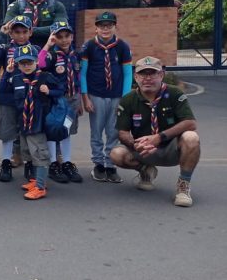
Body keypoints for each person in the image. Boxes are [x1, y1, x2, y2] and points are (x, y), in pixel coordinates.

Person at [110, 57, 200, 207]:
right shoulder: (128, 99)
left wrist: (159, 137)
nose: (147, 78)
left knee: (191, 137)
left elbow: (190, 122)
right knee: (116, 154)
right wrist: (135, 145)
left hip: (171, 148)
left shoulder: (174, 93)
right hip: (143, 149)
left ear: (161, 75)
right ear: (136, 77)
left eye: (152, 73)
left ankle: (183, 186)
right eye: (143, 74)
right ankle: (146, 171)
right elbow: (123, 132)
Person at [79, 11, 132, 183]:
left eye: (109, 26)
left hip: (116, 96)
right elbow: (83, 74)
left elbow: (127, 73)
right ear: (96, 28)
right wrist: (85, 98)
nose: (105, 29)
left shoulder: (122, 46)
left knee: (113, 131)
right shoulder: (89, 46)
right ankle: (98, 164)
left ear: (115, 27)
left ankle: (110, 164)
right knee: (96, 131)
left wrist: (125, 99)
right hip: (96, 95)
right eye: (102, 26)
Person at [6, 45, 63, 200]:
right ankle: (35, 180)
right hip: (24, 123)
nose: (26, 66)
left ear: (37, 61)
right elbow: (4, 89)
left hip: (38, 124)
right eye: (22, 63)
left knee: (40, 154)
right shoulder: (16, 78)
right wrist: (8, 73)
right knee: (28, 152)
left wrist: (49, 91)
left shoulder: (45, 77)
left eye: (30, 62)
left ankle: (40, 186)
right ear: (17, 64)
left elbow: (61, 90)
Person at [0, 15, 36, 182]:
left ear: (30, 32)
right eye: (16, 32)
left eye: (24, 32)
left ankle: (29, 163)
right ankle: (5, 163)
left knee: (28, 131)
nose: (21, 35)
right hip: (8, 96)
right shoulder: (6, 48)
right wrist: (1, 33)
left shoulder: (35, 49)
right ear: (11, 33)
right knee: (7, 131)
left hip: (29, 97)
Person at [38, 21, 83, 183]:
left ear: (72, 37)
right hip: (57, 100)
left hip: (73, 99)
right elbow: (40, 63)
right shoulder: (53, 55)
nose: (64, 40)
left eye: (67, 36)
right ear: (53, 37)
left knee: (67, 130)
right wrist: (47, 45)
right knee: (53, 130)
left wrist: (80, 99)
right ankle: (53, 163)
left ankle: (66, 162)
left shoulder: (75, 55)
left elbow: (78, 77)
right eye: (59, 36)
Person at [2, 0, 68, 48]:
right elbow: (8, 29)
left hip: (50, 51)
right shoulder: (15, 6)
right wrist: (47, 29)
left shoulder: (57, 6)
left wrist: (29, 30)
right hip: (21, 52)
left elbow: (60, 29)